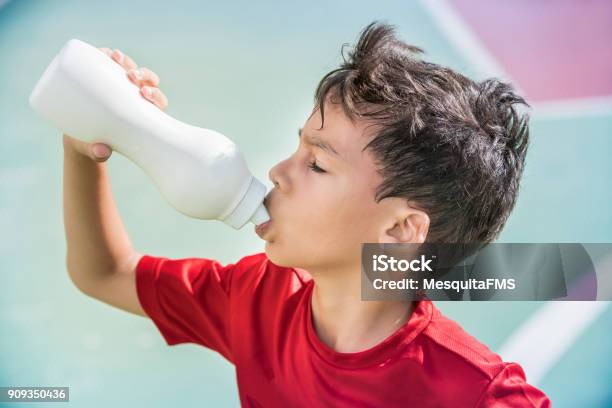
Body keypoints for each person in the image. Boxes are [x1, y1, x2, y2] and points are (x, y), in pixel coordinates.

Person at [63, 22, 551, 407]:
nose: (277, 171)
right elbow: (105, 273)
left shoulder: (475, 392)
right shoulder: (258, 297)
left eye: (316, 163)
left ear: (401, 229)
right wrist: (84, 142)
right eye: (296, 149)